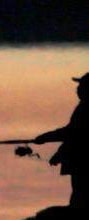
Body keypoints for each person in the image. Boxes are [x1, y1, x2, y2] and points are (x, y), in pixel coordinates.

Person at [35, 73, 88, 208]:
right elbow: (74, 135)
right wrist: (59, 154)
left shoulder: (86, 109)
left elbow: (74, 134)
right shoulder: (82, 107)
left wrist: (46, 138)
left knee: (80, 196)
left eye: (81, 86)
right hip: (79, 161)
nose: (78, 89)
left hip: (82, 163)